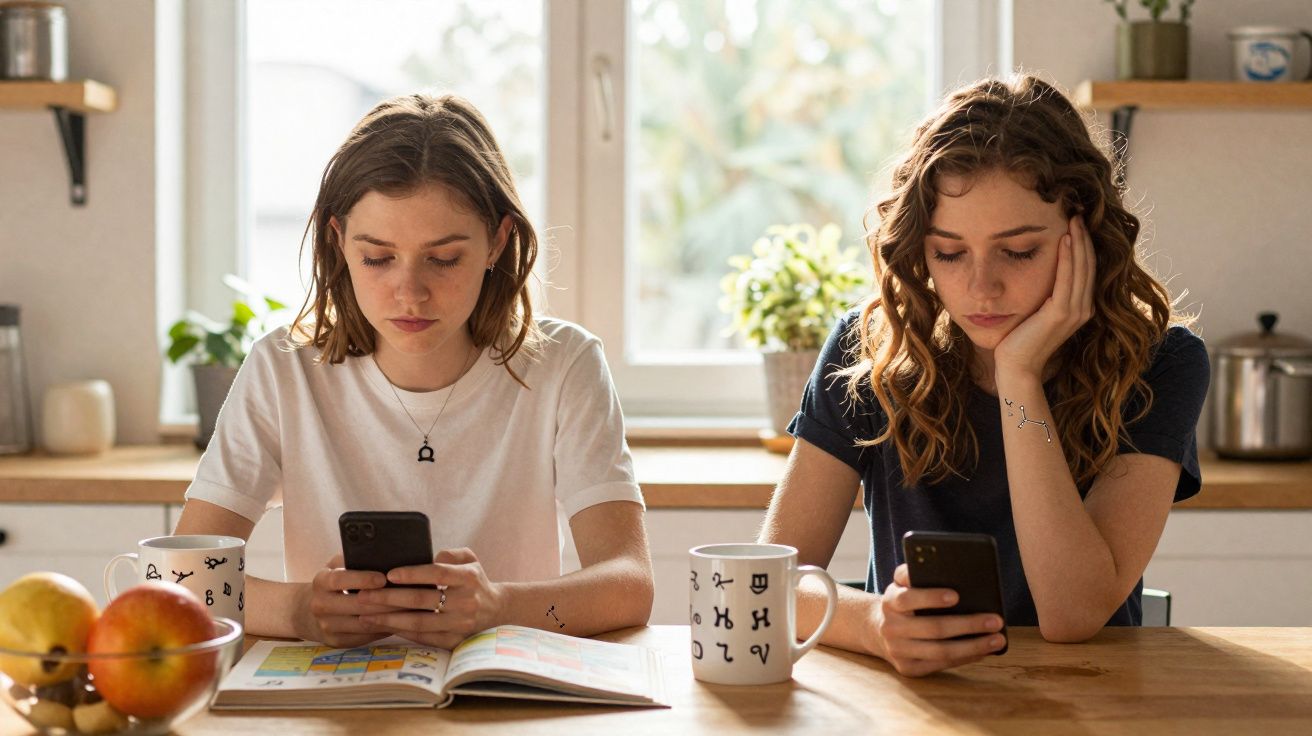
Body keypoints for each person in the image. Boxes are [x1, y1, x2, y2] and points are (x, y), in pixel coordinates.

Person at [758, 74, 1210, 677]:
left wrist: (1018, 375)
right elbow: (766, 582)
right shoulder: (868, 354)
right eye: (949, 252)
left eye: (1018, 251)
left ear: (1086, 238)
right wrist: (870, 624)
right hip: (916, 705)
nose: (980, 288)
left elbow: (1072, 614)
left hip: (1090, 701)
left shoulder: (1161, 362)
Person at [174, 93, 654, 649]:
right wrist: (299, 611)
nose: (410, 292)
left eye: (444, 258)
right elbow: (184, 574)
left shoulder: (564, 364)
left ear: (498, 241)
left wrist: (498, 607)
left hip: (502, 698)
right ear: (339, 244)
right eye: (377, 258)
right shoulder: (284, 371)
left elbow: (629, 582)